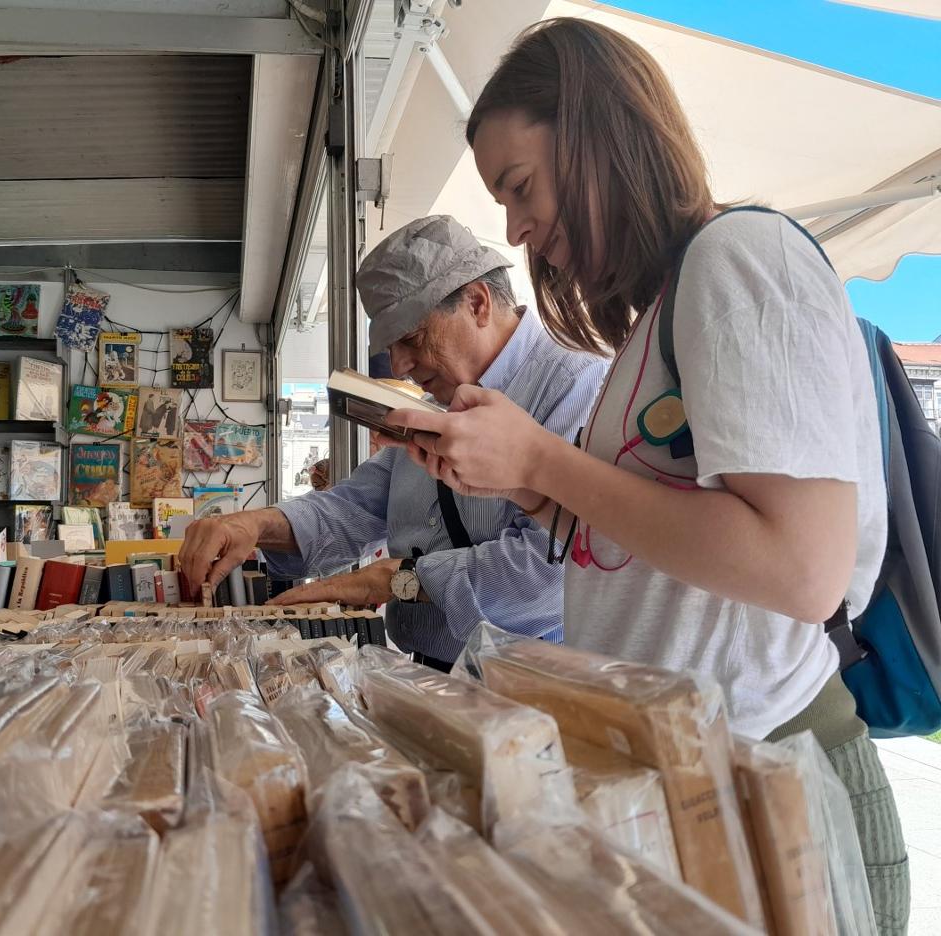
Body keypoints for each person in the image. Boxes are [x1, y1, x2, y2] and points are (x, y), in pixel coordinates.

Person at [385, 19, 908, 932]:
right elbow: (650, 549)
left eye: (520, 187)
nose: (515, 230)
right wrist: (525, 485)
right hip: (698, 783)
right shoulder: (659, 314)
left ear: (596, 132)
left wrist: (548, 459)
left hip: (779, 787)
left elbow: (799, 566)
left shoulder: (743, 258)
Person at [180, 215, 605, 670]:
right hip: (433, 670)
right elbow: (355, 506)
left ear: (477, 304)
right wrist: (255, 525)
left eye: (412, 339)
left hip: (532, 683)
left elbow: (551, 572)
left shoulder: (575, 383)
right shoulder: (432, 403)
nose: (400, 366)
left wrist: (397, 579)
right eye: (391, 346)